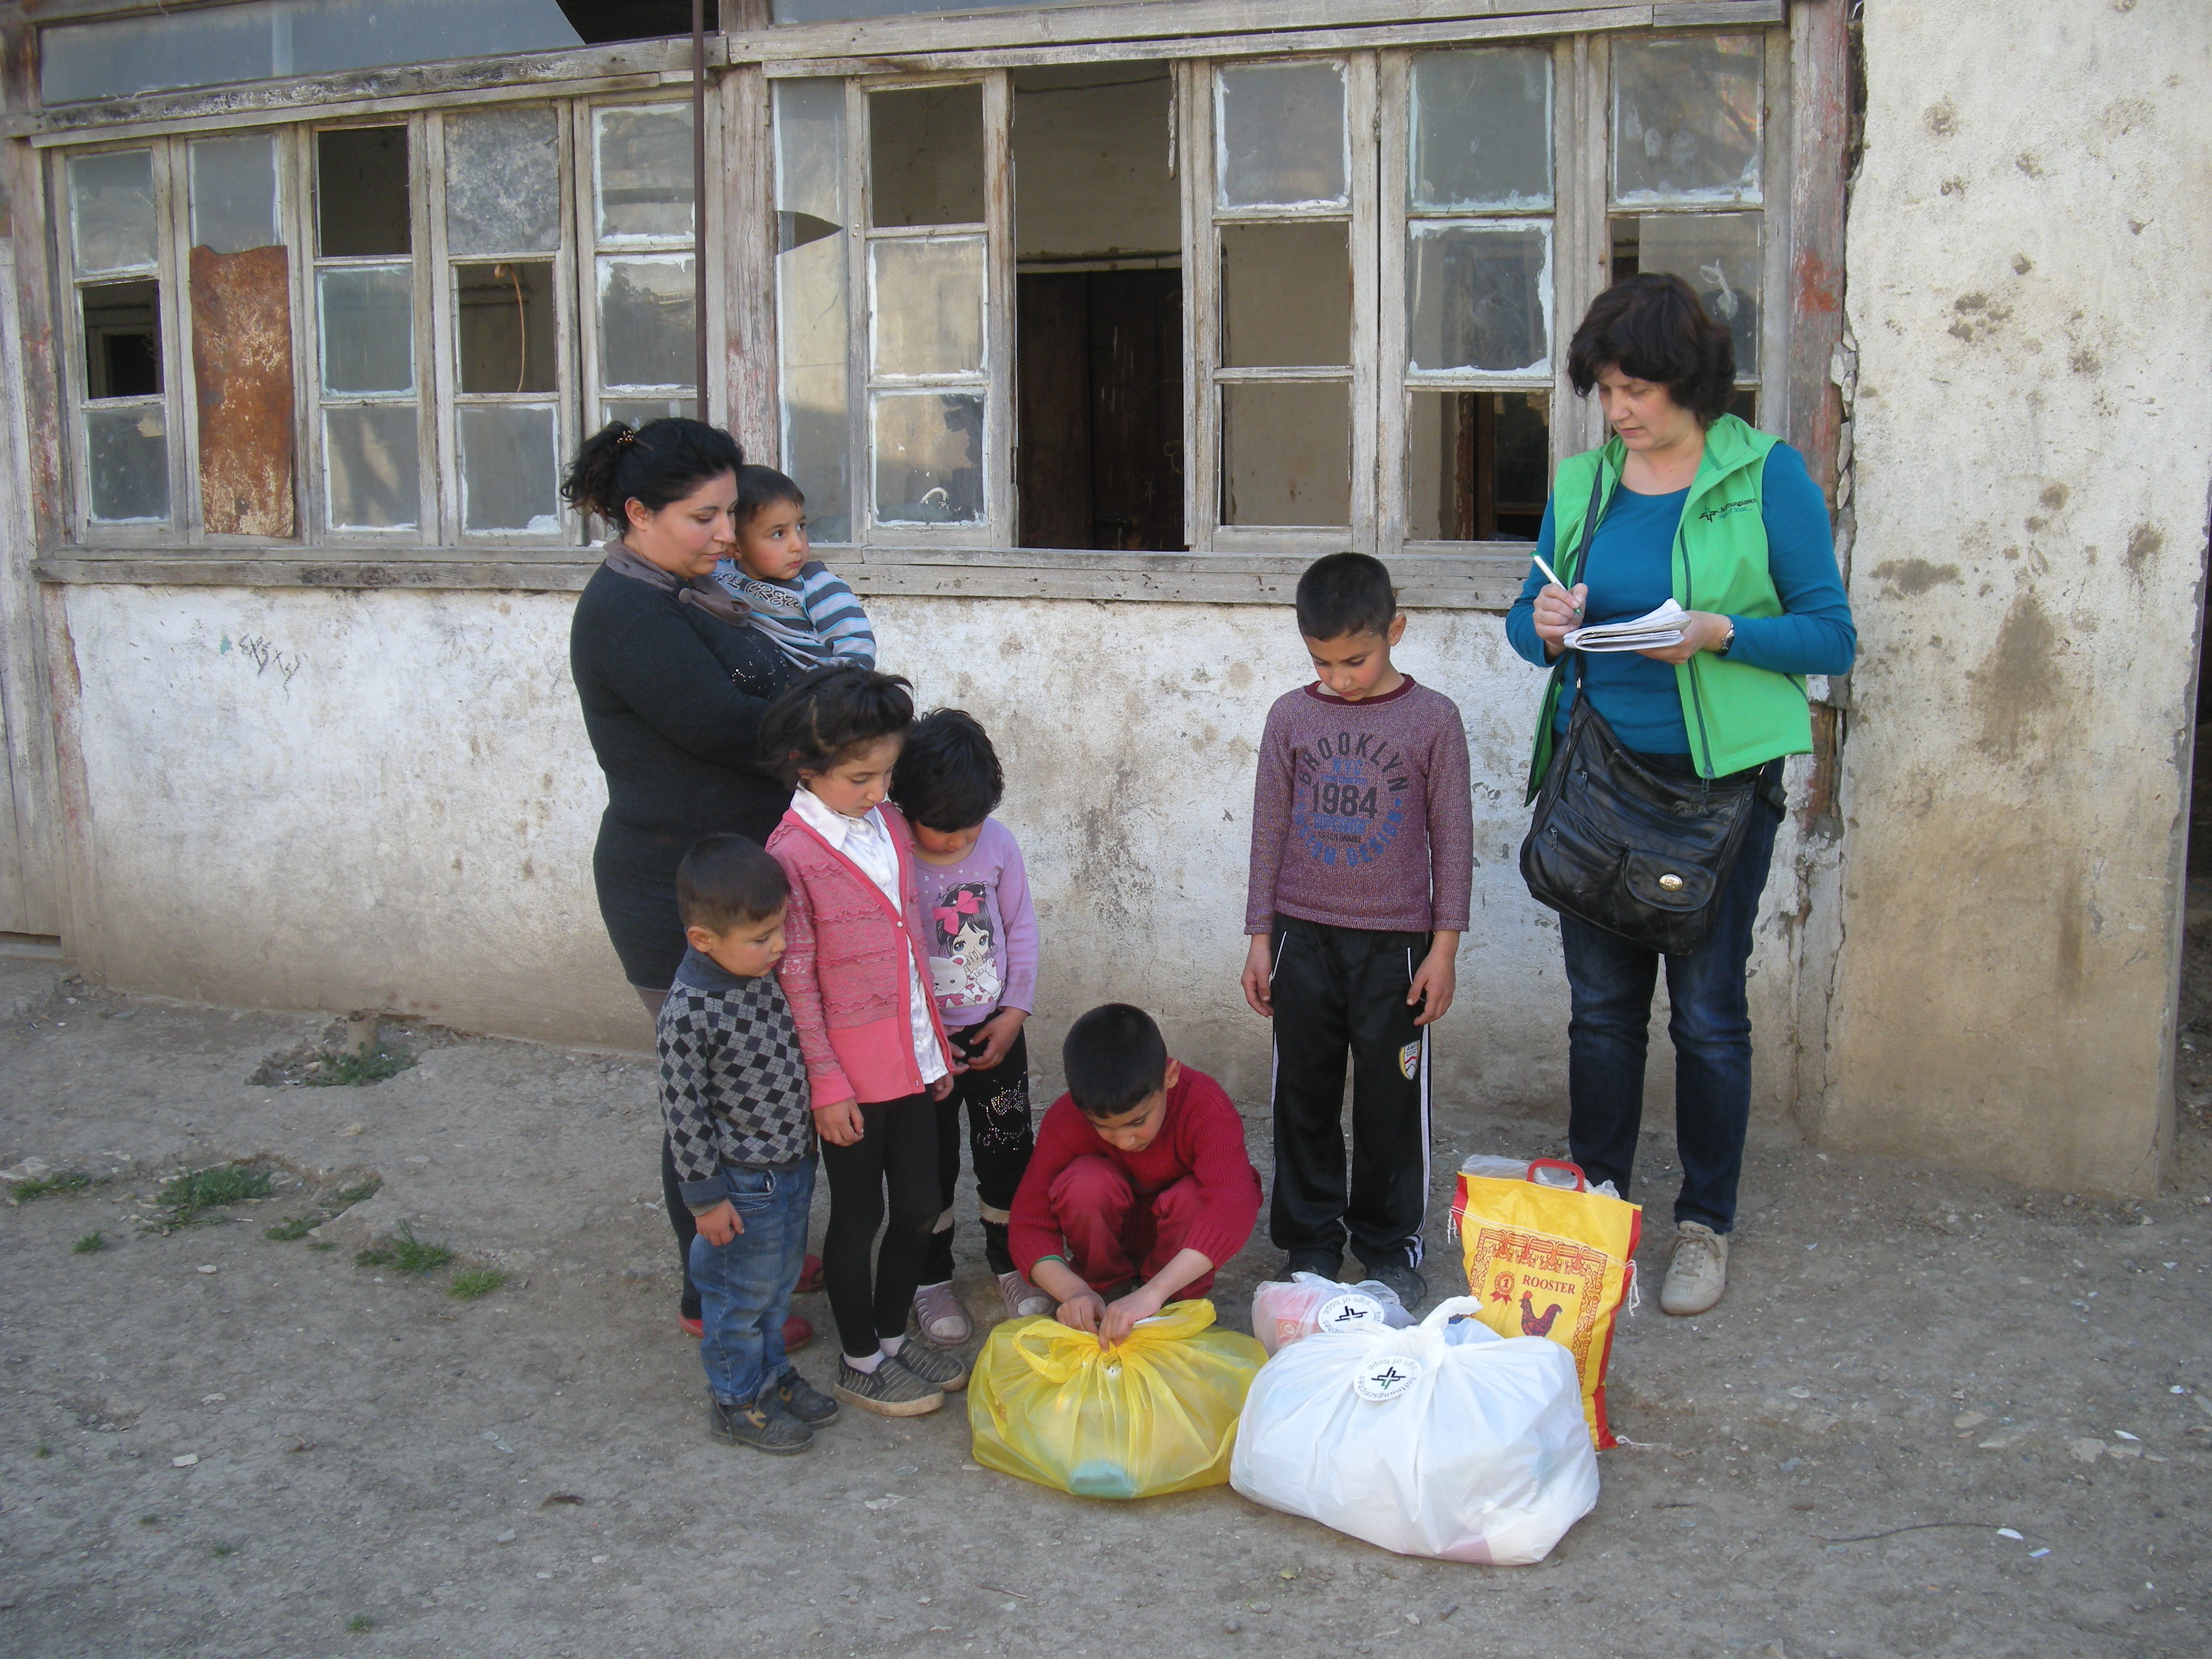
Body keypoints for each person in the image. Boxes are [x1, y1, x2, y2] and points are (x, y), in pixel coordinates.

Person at [1504, 272, 1856, 1316]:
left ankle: (1705, 1223)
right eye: (1605, 391)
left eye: (1636, 391)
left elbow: (1831, 635)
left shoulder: (1766, 476)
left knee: (1706, 1017)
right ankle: (1598, 1214)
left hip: (1716, 795)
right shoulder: (1584, 484)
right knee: (1603, 1016)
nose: (1617, 412)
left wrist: (1717, 633)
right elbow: (1529, 626)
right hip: (1598, 783)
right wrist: (1550, 624)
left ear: (1689, 381)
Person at [564, 418, 815, 1349]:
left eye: (729, 513)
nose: (725, 534)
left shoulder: (692, 592)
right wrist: (839, 731)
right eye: (704, 517)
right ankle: (710, 1295)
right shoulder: (630, 615)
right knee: (709, 1095)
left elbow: (778, 688)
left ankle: (763, 1243)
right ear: (637, 513)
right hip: (671, 888)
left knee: (763, 1075)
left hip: (730, 867)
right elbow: (736, 727)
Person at [1240, 552, 1473, 1310]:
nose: (1339, 677)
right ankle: (1309, 1241)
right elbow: (1268, 829)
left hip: (1397, 948)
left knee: (1388, 1104)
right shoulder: (1291, 716)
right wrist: (1259, 936)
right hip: (1302, 938)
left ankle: (1389, 1244)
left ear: (1395, 630)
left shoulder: (1432, 719)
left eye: (1356, 659)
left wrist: (1444, 948)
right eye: (1322, 662)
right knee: (1302, 1095)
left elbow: (1455, 839)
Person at [761, 665, 966, 1417]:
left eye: (885, 772)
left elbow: (913, 943)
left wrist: (935, 1045)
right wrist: (827, 1086)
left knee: (923, 1203)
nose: (878, 791)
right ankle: (858, 1360)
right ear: (806, 769)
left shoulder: (886, 825)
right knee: (860, 1215)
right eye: (859, 777)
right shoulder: (792, 854)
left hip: (910, 1056)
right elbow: (799, 983)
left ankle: (888, 1334)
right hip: (850, 1074)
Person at [657, 833, 839, 1454]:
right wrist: (705, 1201)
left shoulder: (755, 972)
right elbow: (684, 1115)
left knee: (775, 1287)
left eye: (780, 929)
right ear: (703, 940)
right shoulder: (689, 1012)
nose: (779, 947)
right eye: (762, 937)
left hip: (789, 1169)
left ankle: (772, 1378)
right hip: (743, 1184)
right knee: (736, 1298)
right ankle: (737, 1401)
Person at [889, 709, 1049, 1342]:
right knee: (926, 1168)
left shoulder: (1000, 845)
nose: (956, 842)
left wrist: (1014, 1013)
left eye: (969, 828)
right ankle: (930, 1279)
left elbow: (1023, 930)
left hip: (995, 1036)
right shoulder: (893, 848)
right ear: (903, 802)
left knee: (1007, 1153)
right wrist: (915, 1038)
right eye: (941, 829)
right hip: (921, 1046)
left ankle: (1010, 1263)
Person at [1010, 1004, 1262, 1345]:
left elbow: (1232, 1206)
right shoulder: (1065, 1120)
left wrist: (1156, 1291)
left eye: (1138, 1122)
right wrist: (1073, 1292)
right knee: (1085, 1182)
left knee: (1193, 1198)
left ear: (1169, 1077)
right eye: (1103, 1127)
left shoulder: (1205, 1107)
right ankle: (1104, 1292)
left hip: (1180, 1249)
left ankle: (1172, 1305)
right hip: (1110, 1239)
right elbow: (1030, 1221)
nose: (1125, 1141)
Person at [711, 465, 876, 671]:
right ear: (735, 547)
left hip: (812, 689)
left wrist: (829, 690)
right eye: (778, 534)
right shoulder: (720, 573)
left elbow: (859, 649)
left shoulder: (820, 587)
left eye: (801, 527)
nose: (798, 545)